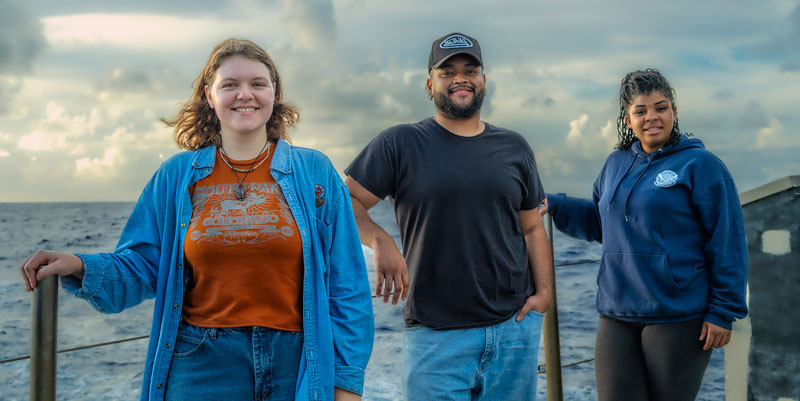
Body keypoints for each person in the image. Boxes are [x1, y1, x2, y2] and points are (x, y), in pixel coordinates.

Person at [20, 38, 373, 401]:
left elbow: (347, 284)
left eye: (257, 83)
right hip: (202, 361)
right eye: (230, 85)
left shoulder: (314, 172)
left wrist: (346, 383)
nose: (244, 95)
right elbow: (144, 265)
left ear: (274, 92)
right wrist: (80, 265)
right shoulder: (175, 176)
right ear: (209, 95)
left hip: (297, 363)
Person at [345, 32, 553, 400]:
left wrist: (544, 296)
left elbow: (533, 227)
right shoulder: (399, 143)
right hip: (436, 337)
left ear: (483, 80)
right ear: (430, 85)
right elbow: (345, 201)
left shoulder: (515, 147)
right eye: (448, 72)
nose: (460, 78)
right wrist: (380, 239)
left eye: (470, 69)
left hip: (513, 331)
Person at [542, 68, 748, 401]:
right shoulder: (615, 163)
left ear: (674, 112)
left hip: (677, 314)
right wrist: (554, 203)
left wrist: (723, 311)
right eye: (641, 110)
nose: (652, 117)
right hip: (617, 310)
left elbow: (727, 241)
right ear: (628, 118)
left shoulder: (701, 165)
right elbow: (600, 223)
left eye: (661, 107)